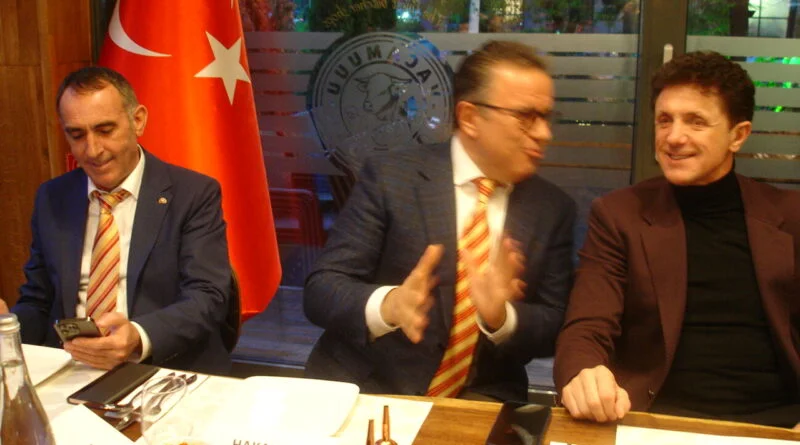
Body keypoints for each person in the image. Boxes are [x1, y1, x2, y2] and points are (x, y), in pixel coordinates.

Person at [303, 40, 576, 402]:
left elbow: (554, 323)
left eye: (546, 117)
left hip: (479, 398)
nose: (544, 133)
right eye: (526, 117)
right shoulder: (391, 177)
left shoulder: (552, 209)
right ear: (470, 117)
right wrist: (389, 305)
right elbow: (321, 290)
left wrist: (501, 318)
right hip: (366, 386)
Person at [554, 51, 800, 428]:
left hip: (777, 422)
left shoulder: (789, 216)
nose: (673, 137)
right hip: (658, 420)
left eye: (696, 122)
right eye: (664, 120)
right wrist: (583, 373)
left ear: (738, 135)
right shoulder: (620, 215)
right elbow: (587, 325)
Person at [1, 67, 232, 375]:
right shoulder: (53, 197)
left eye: (105, 130)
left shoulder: (192, 193)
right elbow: (38, 301)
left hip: (161, 367)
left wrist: (137, 337)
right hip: (72, 368)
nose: (93, 150)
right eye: (77, 135)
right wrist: (7, 326)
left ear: (138, 120)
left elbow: (208, 297)